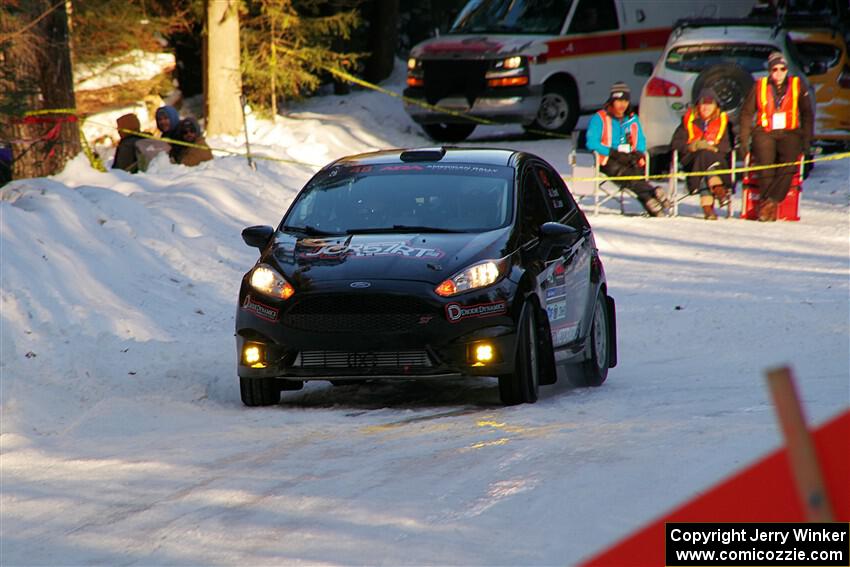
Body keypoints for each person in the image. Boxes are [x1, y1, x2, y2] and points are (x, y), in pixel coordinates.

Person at [739, 51, 813, 222]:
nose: (778, 73)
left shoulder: (797, 85)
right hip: (765, 131)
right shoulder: (759, 86)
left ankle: (769, 203)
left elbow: (807, 113)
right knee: (765, 164)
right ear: (769, 71)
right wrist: (744, 140)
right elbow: (746, 113)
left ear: (787, 70)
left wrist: (807, 139)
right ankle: (769, 206)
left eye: (782, 69)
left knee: (789, 163)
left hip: (790, 131)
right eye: (775, 69)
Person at [586, 81, 671, 217]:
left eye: (625, 101)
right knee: (628, 176)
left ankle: (651, 202)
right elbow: (591, 143)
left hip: (631, 157)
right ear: (612, 101)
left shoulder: (632, 118)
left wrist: (638, 152)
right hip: (608, 159)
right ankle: (652, 193)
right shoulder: (600, 118)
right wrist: (613, 153)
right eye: (619, 101)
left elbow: (641, 140)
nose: (622, 105)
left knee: (635, 174)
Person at [670, 88, 733, 220]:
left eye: (710, 103)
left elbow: (727, 145)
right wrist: (693, 146)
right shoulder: (688, 121)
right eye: (703, 103)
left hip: (717, 161)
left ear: (716, 106)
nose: (705, 107)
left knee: (705, 157)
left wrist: (712, 147)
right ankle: (718, 189)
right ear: (698, 105)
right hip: (692, 160)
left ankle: (707, 207)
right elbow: (675, 143)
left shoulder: (724, 123)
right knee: (702, 156)